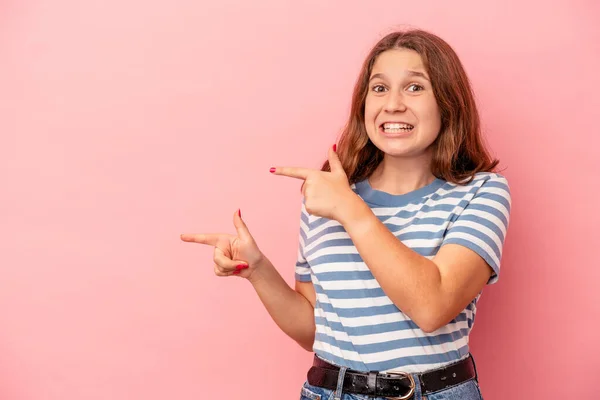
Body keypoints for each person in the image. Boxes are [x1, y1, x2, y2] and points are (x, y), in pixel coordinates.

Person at [181, 28, 511, 400]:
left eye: (415, 87)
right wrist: (258, 271)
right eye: (380, 88)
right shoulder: (328, 198)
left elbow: (431, 306)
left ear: (447, 103)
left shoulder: (481, 192)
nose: (393, 104)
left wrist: (351, 211)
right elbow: (314, 331)